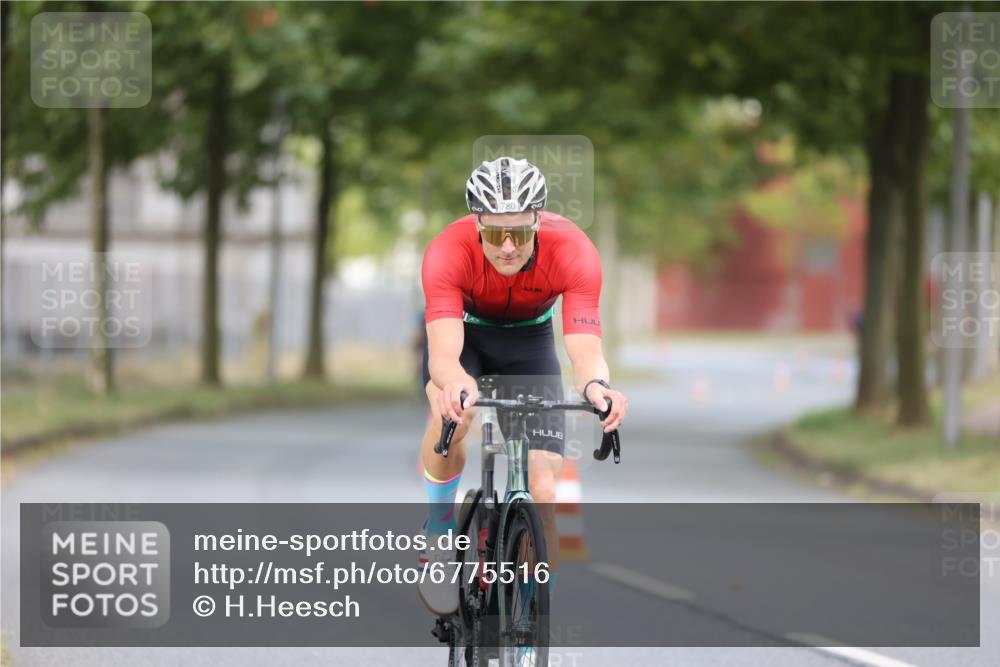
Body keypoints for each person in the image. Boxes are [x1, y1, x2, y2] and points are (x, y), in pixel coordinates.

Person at [417, 156, 628, 615]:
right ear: (477, 226)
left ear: (539, 220)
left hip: (530, 342)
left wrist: (597, 387)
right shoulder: (447, 251)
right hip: (466, 336)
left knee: (543, 487)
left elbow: (585, 348)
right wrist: (454, 385)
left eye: (520, 231)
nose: (508, 246)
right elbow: (444, 357)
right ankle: (438, 533)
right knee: (452, 411)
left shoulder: (573, 250)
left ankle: (530, 613)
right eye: (494, 233)